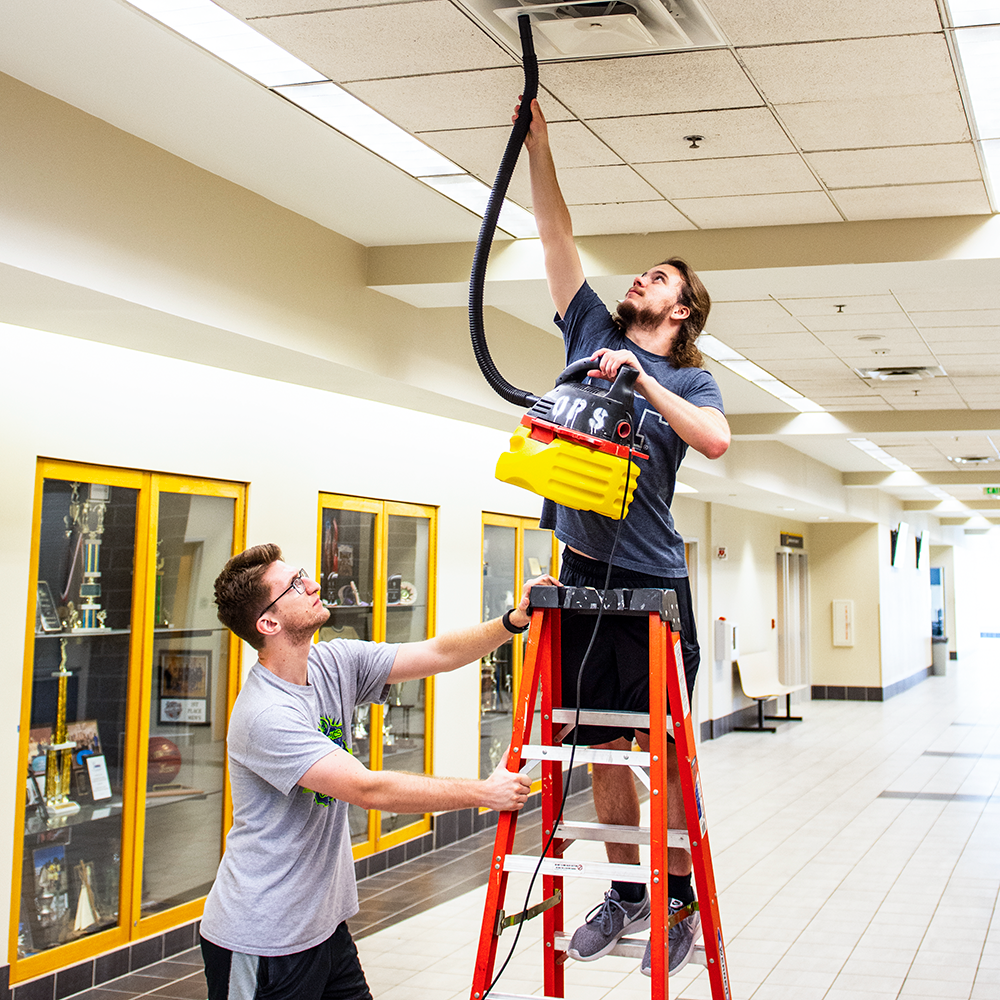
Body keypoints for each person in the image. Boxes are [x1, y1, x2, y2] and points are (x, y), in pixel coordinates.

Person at [515, 97, 731, 976]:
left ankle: (678, 899)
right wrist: (540, 144)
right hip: (580, 573)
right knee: (597, 745)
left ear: (681, 314)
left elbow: (715, 442)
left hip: (650, 582)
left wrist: (644, 381)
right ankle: (628, 891)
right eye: (641, 275)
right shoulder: (593, 331)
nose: (640, 282)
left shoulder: (689, 376)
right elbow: (556, 236)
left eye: (658, 282)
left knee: (660, 749)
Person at [200, 543, 552, 1000]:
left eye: (302, 574)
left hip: (324, 929)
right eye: (293, 584)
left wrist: (512, 622)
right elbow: (368, 788)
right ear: (268, 623)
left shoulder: (333, 663)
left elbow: (437, 653)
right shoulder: (265, 714)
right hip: (262, 940)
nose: (311, 583)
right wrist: (484, 792)